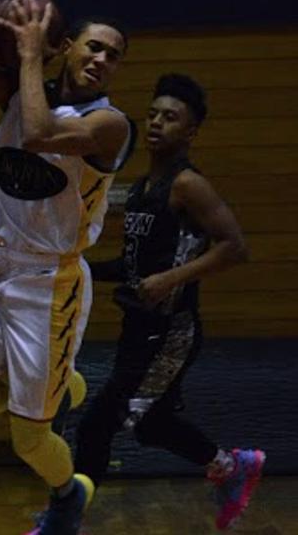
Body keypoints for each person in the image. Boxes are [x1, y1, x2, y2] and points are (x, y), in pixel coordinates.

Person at [0, 0, 136, 534]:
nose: (103, 60)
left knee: (29, 439)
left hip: (51, 282)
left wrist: (25, 60)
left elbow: (40, 133)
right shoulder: (18, 92)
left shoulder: (109, 125)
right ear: (65, 46)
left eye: (114, 55)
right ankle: (59, 386)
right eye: (94, 46)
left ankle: (67, 497)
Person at [74, 74, 264, 531]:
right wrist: (77, 267)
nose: (157, 123)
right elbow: (133, 263)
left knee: (97, 425)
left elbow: (235, 246)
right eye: (153, 114)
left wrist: (172, 278)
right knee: (150, 424)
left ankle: (65, 518)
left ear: (190, 131)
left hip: (170, 330)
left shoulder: (187, 185)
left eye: (171, 117)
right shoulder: (143, 188)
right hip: (139, 328)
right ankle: (229, 465)